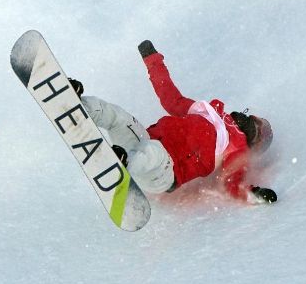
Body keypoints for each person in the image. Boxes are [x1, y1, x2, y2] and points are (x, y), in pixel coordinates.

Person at [70, 40, 277, 204]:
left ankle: (121, 165)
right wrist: (153, 61)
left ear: (255, 143)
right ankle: (78, 107)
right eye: (254, 118)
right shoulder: (208, 111)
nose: (251, 122)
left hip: (164, 172)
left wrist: (255, 194)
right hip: (143, 139)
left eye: (258, 128)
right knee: (118, 116)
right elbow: (170, 97)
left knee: (152, 152)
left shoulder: (238, 149)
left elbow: (233, 183)